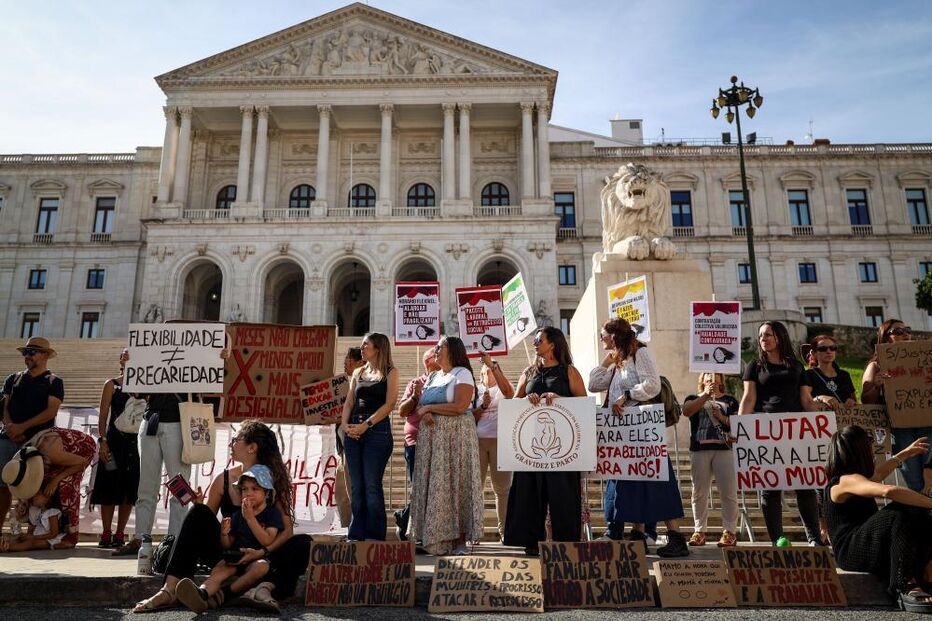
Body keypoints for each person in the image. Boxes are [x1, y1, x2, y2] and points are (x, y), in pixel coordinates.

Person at [133, 420, 307, 614]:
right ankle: (169, 589)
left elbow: (287, 529)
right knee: (198, 513)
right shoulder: (224, 479)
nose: (231, 444)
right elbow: (206, 523)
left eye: (236, 440)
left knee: (303, 543)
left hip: (263, 555)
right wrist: (198, 507)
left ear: (252, 448)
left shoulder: (272, 480)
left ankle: (241, 592)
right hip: (228, 552)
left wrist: (261, 552)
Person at [588, 319, 689, 557]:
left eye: (603, 335)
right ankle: (636, 535)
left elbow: (652, 385)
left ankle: (676, 537)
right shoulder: (618, 361)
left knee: (657, 479)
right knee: (629, 481)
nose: (601, 339)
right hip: (624, 434)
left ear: (613, 335)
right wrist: (608, 360)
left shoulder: (640, 352)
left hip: (643, 432)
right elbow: (593, 384)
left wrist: (626, 395)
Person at [825, 425, 932, 612]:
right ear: (860, 452)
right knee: (901, 509)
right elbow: (888, 490)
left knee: (919, 512)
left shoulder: (858, 479)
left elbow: (879, 474)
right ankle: (903, 585)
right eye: (869, 447)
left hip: (867, 544)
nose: (873, 452)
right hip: (851, 551)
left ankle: (922, 574)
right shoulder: (844, 481)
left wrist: (905, 453)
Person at [503, 327, 587, 557]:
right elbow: (514, 402)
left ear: (552, 344)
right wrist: (525, 399)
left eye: (539, 340)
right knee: (529, 493)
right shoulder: (528, 372)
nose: (534, 343)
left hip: (563, 447)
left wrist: (560, 400)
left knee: (563, 495)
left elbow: (584, 405)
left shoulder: (569, 372)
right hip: (530, 446)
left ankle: (565, 544)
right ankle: (531, 542)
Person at [739, 320, 823, 546]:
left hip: (796, 431)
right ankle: (777, 538)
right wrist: (739, 428)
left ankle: (814, 537)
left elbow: (806, 399)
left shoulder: (796, 366)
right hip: (766, 431)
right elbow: (749, 399)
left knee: (804, 486)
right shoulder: (754, 366)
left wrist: (823, 424)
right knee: (770, 488)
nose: (763, 340)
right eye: (760, 336)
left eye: (767, 335)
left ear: (779, 337)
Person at [175, 465, 284, 614]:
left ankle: (224, 595)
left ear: (266, 493)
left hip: (255, 559)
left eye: (255, 489)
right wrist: (224, 533)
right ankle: (201, 593)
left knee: (261, 567)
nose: (249, 493)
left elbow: (267, 540)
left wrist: (251, 518)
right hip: (236, 557)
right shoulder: (238, 515)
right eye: (244, 489)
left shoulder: (271, 514)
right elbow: (228, 544)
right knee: (219, 571)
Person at [409, 336, 483, 555]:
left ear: (451, 350)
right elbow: (423, 406)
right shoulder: (433, 376)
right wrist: (427, 410)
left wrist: (429, 409)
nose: (435, 350)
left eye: (440, 347)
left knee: (456, 483)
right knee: (436, 485)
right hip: (432, 439)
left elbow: (460, 405)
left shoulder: (463, 374)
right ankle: (437, 539)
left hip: (456, 436)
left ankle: (459, 539)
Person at [113, 391, 191, 567]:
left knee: (180, 488)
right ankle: (141, 539)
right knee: (146, 487)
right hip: (150, 421)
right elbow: (138, 392)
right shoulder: (149, 363)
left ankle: (175, 541)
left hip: (178, 423)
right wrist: (131, 370)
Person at [0, 337, 64, 534]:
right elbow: (4, 405)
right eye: (25, 353)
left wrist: (22, 428)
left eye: (32, 352)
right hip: (9, 437)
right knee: (2, 484)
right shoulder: (13, 378)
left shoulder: (53, 381)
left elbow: (51, 411)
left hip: (37, 439)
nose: (27, 356)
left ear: (45, 355)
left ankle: (30, 533)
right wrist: (11, 426)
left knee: (33, 487)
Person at [862, 319, 932, 492]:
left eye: (907, 330)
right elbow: (866, 399)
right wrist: (876, 384)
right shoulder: (876, 365)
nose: (905, 334)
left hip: (929, 424)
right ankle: (921, 513)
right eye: (898, 331)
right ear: (885, 338)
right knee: (914, 479)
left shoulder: (925, 359)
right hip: (901, 429)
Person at [341, 332, 399, 541]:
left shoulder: (390, 372)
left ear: (378, 348)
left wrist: (366, 425)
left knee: (371, 484)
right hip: (353, 429)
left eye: (366, 344)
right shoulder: (358, 372)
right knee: (357, 485)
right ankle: (356, 533)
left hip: (377, 431)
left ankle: (375, 534)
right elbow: (349, 401)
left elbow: (390, 404)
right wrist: (344, 425)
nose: (361, 347)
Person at [682, 372, 739, 547]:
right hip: (700, 449)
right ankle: (699, 531)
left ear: (721, 379)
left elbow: (738, 423)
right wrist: (706, 395)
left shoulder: (731, 400)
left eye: (714, 374)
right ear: (702, 379)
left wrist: (722, 418)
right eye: (706, 373)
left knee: (728, 493)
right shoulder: (693, 397)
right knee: (699, 492)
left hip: (724, 450)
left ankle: (729, 532)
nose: (711, 377)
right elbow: (686, 411)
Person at [90, 348, 139, 548]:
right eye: (125, 354)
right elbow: (102, 415)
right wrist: (102, 441)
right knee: (108, 485)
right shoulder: (111, 384)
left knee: (129, 489)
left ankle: (120, 533)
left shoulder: (146, 387)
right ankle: (106, 531)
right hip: (113, 441)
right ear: (120, 359)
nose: (129, 357)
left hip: (136, 444)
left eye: (133, 355)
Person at [395, 347, 440, 541]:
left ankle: (406, 519)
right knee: (418, 487)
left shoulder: (446, 381)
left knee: (434, 488)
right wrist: (415, 396)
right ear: (429, 362)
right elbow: (402, 412)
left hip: (438, 441)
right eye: (438, 357)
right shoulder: (415, 382)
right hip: (415, 442)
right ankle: (415, 529)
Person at [30, 426, 96, 546]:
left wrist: (55, 480)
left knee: (66, 484)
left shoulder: (53, 455)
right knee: (48, 482)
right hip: (56, 451)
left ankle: (70, 537)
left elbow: (82, 463)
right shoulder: (29, 462)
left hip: (82, 450)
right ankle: (56, 527)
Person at [474, 352, 515, 543]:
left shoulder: (503, 388)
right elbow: (469, 418)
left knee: (502, 489)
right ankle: (474, 531)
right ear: (481, 375)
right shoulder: (475, 391)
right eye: (485, 372)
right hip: (479, 442)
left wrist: (493, 367)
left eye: (491, 371)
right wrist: (482, 406)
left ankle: (505, 531)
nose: (488, 374)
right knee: (475, 488)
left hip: (500, 441)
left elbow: (509, 393)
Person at [335, 346, 365, 528]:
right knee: (346, 489)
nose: (345, 363)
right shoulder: (342, 386)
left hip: (357, 441)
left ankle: (357, 525)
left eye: (349, 360)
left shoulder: (363, 387)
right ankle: (350, 525)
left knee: (355, 487)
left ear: (360, 362)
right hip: (344, 443)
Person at [0, 489, 71, 552]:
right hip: (36, 535)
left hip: (47, 539)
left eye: (37, 494)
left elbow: (53, 533)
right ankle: (5, 544)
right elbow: (35, 526)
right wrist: (15, 517)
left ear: (47, 498)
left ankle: (6, 546)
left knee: (30, 543)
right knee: (21, 535)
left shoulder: (52, 512)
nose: (34, 496)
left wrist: (32, 537)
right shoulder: (37, 512)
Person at [802, 334, 856, 412]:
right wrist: (821, 398)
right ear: (814, 354)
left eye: (832, 348)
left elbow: (854, 400)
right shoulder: (808, 375)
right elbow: (805, 401)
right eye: (822, 349)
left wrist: (851, 401)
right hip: (821, 420)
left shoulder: (845, 375)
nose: (828, 351)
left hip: (844, 420)